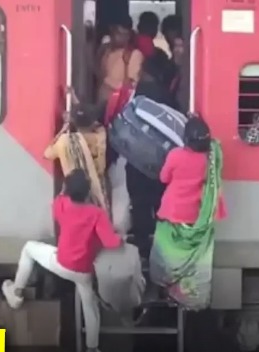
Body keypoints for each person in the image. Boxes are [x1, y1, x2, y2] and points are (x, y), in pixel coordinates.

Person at [1, 169, 122, 352]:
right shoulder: (97, 214)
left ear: (67, 190)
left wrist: (65, 189)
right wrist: (120, 238)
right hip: (83, 271)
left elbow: (59, 201)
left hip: (61, 263)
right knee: (90, 308)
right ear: (88, 191)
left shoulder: (61, 205)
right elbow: (110, 242)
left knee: (29, 248)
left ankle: (16, 293)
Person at [150, 116, 226, 309]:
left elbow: (163, 177)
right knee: (190, 256)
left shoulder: (176, 155)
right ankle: (185, 294)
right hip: (195, 215)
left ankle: (165, 283)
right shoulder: (209, 159)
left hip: (172, 212)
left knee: (166, 251)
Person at [122, 50, 178, 259]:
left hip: (136, 156)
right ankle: (161, 244)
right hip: (159, 159)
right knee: (158, 201)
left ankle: (142, 244)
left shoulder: (137, 92)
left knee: (139, 203)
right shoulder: (165, 94)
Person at [97, 15, 144, 103]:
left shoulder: (134, 55)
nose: (118, 37)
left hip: (118, 106)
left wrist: (107, 81)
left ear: (129, 35)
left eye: (124, 34)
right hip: (102, 103)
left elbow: (130, 87)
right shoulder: (106, 51)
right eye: (116, 33)